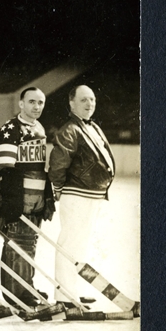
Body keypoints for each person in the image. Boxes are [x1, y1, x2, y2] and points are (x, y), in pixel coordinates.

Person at [48, 84, 113, 306]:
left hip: (90, 196)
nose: (89, 104)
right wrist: (58, 189)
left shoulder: (91, 127)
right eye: (84, 100)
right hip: (76, 195)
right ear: (71, 103)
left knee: (80, 247)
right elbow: (57, 164)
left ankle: (71, 290)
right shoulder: (70, 129)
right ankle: (65, 297)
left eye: (92, 99)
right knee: (70, 244)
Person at [0, 86, 56, 306]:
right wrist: (11, 201)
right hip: (18, 198)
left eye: (40, 102)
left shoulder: (40, 128)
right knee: (16, 243)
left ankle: (26, 285)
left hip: (36, 198)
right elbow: (4, 167)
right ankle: (15, 293)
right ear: (21, 104)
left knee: (30, 243)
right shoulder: (10, 128)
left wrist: (45, 196)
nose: (36, 106)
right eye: (32, 102)